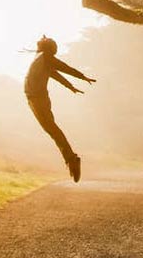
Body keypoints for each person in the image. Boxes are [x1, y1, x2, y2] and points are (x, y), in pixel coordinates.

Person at [24, 35, 96, 183]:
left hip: (38, 99)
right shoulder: (44, 58)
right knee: (51, 129)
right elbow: (58, 73)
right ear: (50, 48)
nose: (55, 52)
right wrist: (72, 86)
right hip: (34, 99)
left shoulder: (42, 58)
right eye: (54, 48)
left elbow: (63, 69)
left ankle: (71, 159)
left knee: (52, 129)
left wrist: (82, 78)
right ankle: (71, 159)